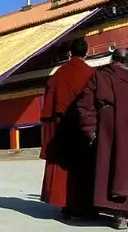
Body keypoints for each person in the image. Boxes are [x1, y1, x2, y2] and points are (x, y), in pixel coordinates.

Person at [77, 48, 128, 230]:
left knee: (114, 165)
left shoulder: (99, 76)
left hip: (110, 126)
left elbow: (86, 104)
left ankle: (119, 215)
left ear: (112, 59)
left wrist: (90, 130)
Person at [39, 38, 96, 219]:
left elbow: (48, 108)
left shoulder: (58, 75)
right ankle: (87, 205)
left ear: (70, 53)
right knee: (86, 166)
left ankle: (67, 205)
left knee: (66, 166)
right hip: (85, 128)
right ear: (86, 53)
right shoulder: (92, 73)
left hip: (63, 129)